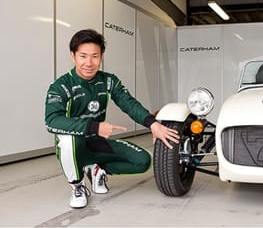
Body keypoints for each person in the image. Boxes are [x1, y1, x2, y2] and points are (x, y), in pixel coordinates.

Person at [44, 29, 179, 209]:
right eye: (83, 56)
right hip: (75, 145)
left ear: (101, 56)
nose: (89, 63)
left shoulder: (108, 81)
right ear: (73, 56)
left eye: (95, 56)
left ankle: (95, 169)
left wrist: (152, 124)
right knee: (69, 140)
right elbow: (52, 121)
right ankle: (77, 186)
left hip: (96, 143)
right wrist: (94, 127)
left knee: (143, 161)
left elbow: (129, 104)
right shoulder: (60, 85)